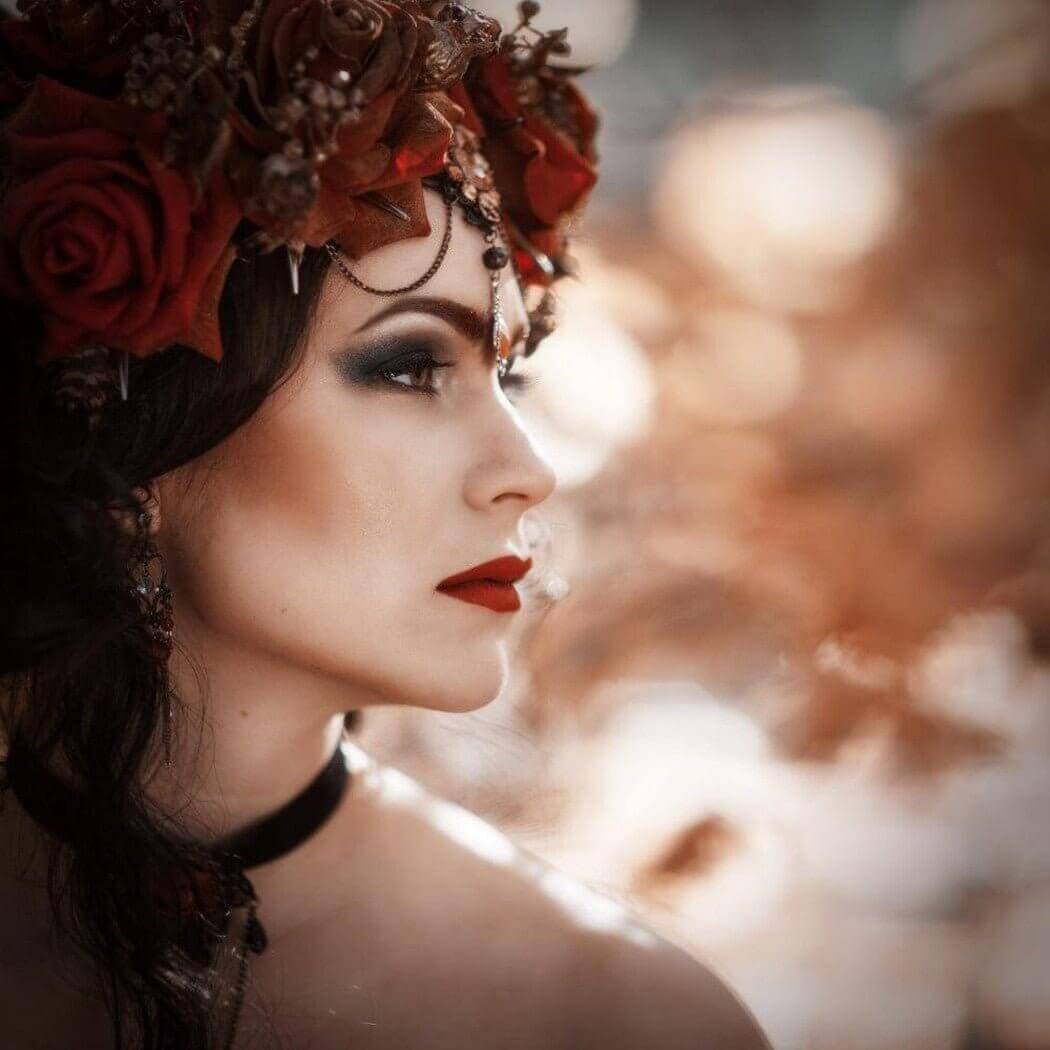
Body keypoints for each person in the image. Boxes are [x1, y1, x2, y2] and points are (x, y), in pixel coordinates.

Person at [0, 2, 773, 1048]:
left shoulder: (613, 1017)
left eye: (508, 376)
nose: (529, 473)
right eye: (411, 366)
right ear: (134, 431)